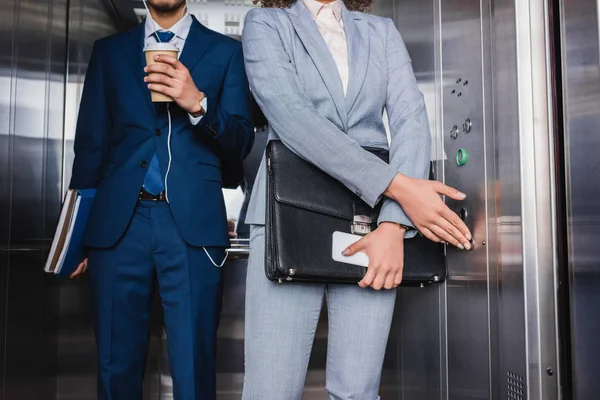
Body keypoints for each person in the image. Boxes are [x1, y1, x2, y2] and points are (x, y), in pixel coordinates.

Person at [241, 0, 471, 398]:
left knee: (358, 392)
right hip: (289, 215)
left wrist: (395, 223)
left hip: (374, 223)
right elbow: (292, 118)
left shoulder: (380, 31)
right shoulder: (266, 22)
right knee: (270, 390)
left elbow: (411, 120)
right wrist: (397, 187)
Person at [68, 0, 254, 398]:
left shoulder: (226, 52)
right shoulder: (109, 52)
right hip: (117, 226)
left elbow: (241, 140)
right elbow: (90, 147)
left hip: (192, 226)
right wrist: (77, 234)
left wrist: (198, 104)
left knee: (193, 364)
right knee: (114, 365)